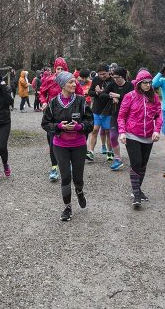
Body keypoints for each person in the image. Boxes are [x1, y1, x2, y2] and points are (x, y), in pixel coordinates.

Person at [41, 71, 93, 221]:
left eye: (74, 81)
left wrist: (79, 127)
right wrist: (58, 126)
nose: (74, 84)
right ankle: (67, 207)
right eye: (70, 82)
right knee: (65, 177)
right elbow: (45, 123)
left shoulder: (81, 101)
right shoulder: (53, 103)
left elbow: (91, 123)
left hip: (78, 145)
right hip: (60, 145)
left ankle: (79, 190)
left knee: (77, 177)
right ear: (62, 84)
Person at [118, 70, 163, 206]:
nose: (148, 85)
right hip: (132, 134)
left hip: (148, 136)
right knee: (136, 162)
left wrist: (157, 130)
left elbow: (159, 115)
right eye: (145, 83)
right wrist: (122, 132)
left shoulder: (154, 97)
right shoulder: (129, 96)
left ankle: (137, 189)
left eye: (150, 83)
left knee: (143, 163)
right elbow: (121, 116)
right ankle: (136, 194)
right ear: (138, 83)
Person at [39, 57, 84, 181]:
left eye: (62, 69)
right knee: (52, 141)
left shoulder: (72, 81)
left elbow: (80, 95)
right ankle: (54, 167)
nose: (59, 71)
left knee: (70, 140)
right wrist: (43, 102)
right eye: (57, 68)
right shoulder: (49, 79)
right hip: (53, 116)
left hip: (70, 114)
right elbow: (41, 92)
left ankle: (67, 162)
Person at [100, 66, 133, 171]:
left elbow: (133, 98)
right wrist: (111, 97)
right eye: (114, 77)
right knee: (113, 136)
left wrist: (118, 96)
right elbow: (102, 95)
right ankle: (117, 158)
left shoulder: (130, 86)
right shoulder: (112, 85)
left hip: (129, 116)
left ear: (123, 76)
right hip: (115, 115)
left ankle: (134, 158)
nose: (115, 79)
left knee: (130, 138)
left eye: (117, 77)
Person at [87, 64, 114, 161]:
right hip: (97, 109)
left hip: (108, 110)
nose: (102, 76)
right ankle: (90, 152)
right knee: (94, 130)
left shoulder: (113, 80)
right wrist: (97, 93)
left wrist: (102, 93)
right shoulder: (96, 79)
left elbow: (113, 96)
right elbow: (90, 92)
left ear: (108, 72)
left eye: (104, 74)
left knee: (108, 131)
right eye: (100, 74)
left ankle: (110, 152)